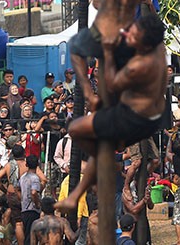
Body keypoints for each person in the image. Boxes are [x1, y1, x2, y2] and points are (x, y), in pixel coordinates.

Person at [57, 14, 168, 213]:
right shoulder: (157, 46)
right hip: (146, 115)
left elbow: (110, 83)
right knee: (75, 46)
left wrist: (107, 53)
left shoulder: (141, 66)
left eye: (133, 35)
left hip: (134, 119)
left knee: (75, 129)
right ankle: (82, 189)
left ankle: (106, 174)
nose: (129, 35)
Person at [20, 155, 43, 245]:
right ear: (37, 165)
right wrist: (37, 204)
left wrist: (22, 199)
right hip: (32, 210)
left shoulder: (23, 177)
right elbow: (34, 192)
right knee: (31, 237)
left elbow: (17, 189)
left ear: (26, 164)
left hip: (24, 209)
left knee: (27, 234)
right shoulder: (35, 178)